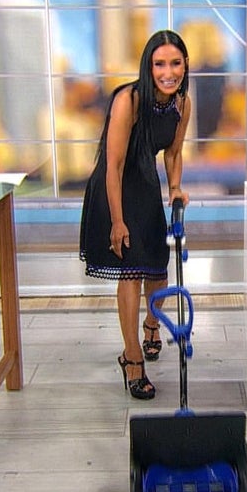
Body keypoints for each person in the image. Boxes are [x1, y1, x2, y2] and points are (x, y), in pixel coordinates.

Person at [78, 29, 192, 400]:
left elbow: (173, 153)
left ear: (185, 65)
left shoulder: (182, 103)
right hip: (115, 188)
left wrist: (175, 187)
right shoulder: (128, 99)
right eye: (159, 64)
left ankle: (151, 325)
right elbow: (113, 165)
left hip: (145, 184)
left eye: (175, 63)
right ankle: (132, 358)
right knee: (131, 271)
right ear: (148, 66)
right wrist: (117, 221)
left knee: (157, 268)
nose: (168, 72)